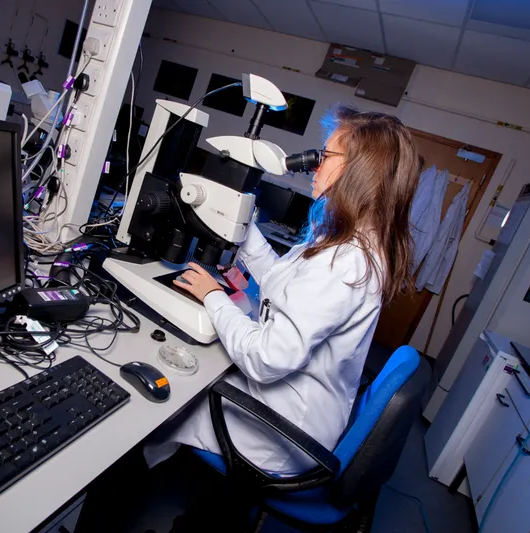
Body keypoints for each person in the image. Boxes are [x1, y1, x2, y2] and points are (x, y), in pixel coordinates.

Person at [144, 106, 421, 475]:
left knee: (168, 398)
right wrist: (235, 220)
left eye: (326, 156)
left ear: (357, 172)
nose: (315, 165)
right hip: (299, 408)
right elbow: (280, 279)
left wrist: (214, 296)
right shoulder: (349, 243)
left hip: (283, 432)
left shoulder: (344, 262)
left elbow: (266, 359)